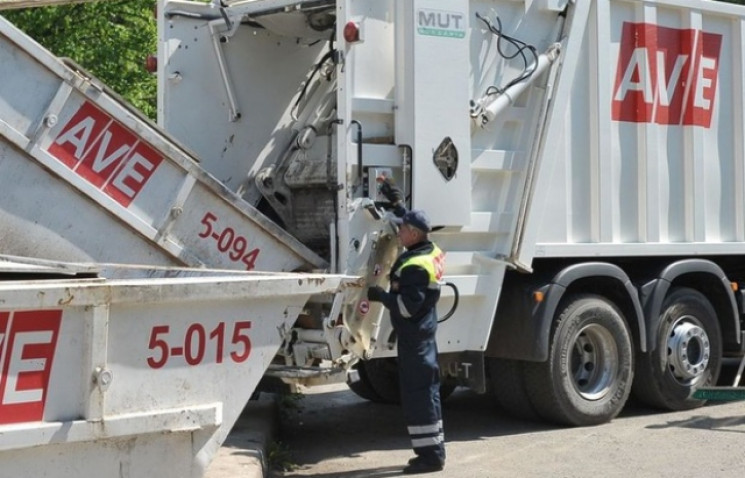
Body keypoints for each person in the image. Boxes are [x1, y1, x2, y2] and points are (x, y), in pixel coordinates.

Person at [367, 179, 446, 474]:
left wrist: (382, 296)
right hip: (423, 335)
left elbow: (406, 307)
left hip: (415, 337)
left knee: (419, 395)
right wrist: (396, 200)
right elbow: (410, 220)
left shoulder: (414, 266)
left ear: (413, 234)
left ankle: (431, 458)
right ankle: (431, 451)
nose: (397, 231)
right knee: (427, 392)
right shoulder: (428, 249)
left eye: (402, 229)